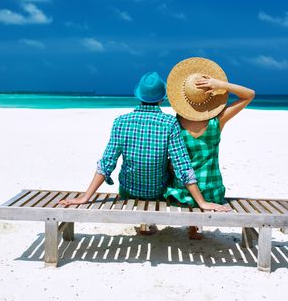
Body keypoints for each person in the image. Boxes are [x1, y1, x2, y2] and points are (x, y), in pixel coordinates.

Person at [60, 71, 228, 234]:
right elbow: (182, 166)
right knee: (169, 166)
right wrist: (202, 202)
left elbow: (107, 163)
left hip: (128, 190)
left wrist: (85, 197)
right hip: (157, 192)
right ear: (162, 99)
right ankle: (183, 224)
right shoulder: (169, 123)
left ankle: (145, 224)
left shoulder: (121, 122)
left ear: (139, 96)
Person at [164, 57, 255, 239]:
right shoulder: (216, 122)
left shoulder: (175, 124)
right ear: (208, 98)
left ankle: (189, 223)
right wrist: (221, 84)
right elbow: (249, 94)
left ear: (183, 98)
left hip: (179, 193)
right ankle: (195, 226)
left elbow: (172, 163)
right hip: (212, 191)